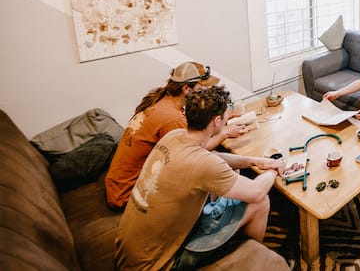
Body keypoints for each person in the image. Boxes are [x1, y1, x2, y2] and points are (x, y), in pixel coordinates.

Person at [115, 86, 286, 270]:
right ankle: (250, 255)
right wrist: (274, 169)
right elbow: (257, 191)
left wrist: (255, 161)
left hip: (126, 252)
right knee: (261, 201)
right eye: (226, 115)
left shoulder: (174, 136)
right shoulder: (202, 164)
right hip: (156, 265)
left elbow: (212, 159)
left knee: (232, 177)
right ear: (217, 120)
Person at [105, 61, 247, 209]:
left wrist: (219, 120)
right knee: (215, 163)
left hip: (116, 185)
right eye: (201, 88)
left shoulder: (162, 101)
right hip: (127, 194)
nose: (205, 93)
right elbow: (199, 150)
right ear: (186, 88)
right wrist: (225, 132)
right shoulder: (173, 119)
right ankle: (219, 212)